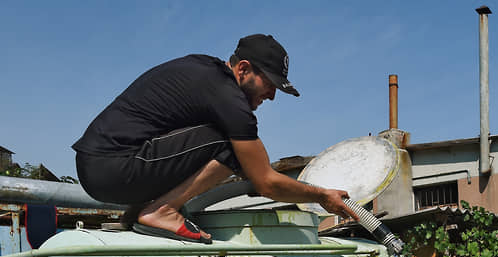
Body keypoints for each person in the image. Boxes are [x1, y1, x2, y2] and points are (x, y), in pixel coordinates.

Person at [72, 34, 357, 244]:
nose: (272, 95)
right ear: (243, 69)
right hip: (114, 167)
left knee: (228, 140)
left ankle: (141, 211)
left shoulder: (203, 69)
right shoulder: (229, 99)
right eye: (269, 84)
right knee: (230, 145)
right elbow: (266, 183)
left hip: (99, 165)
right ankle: (163, 210)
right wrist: (322, 196)